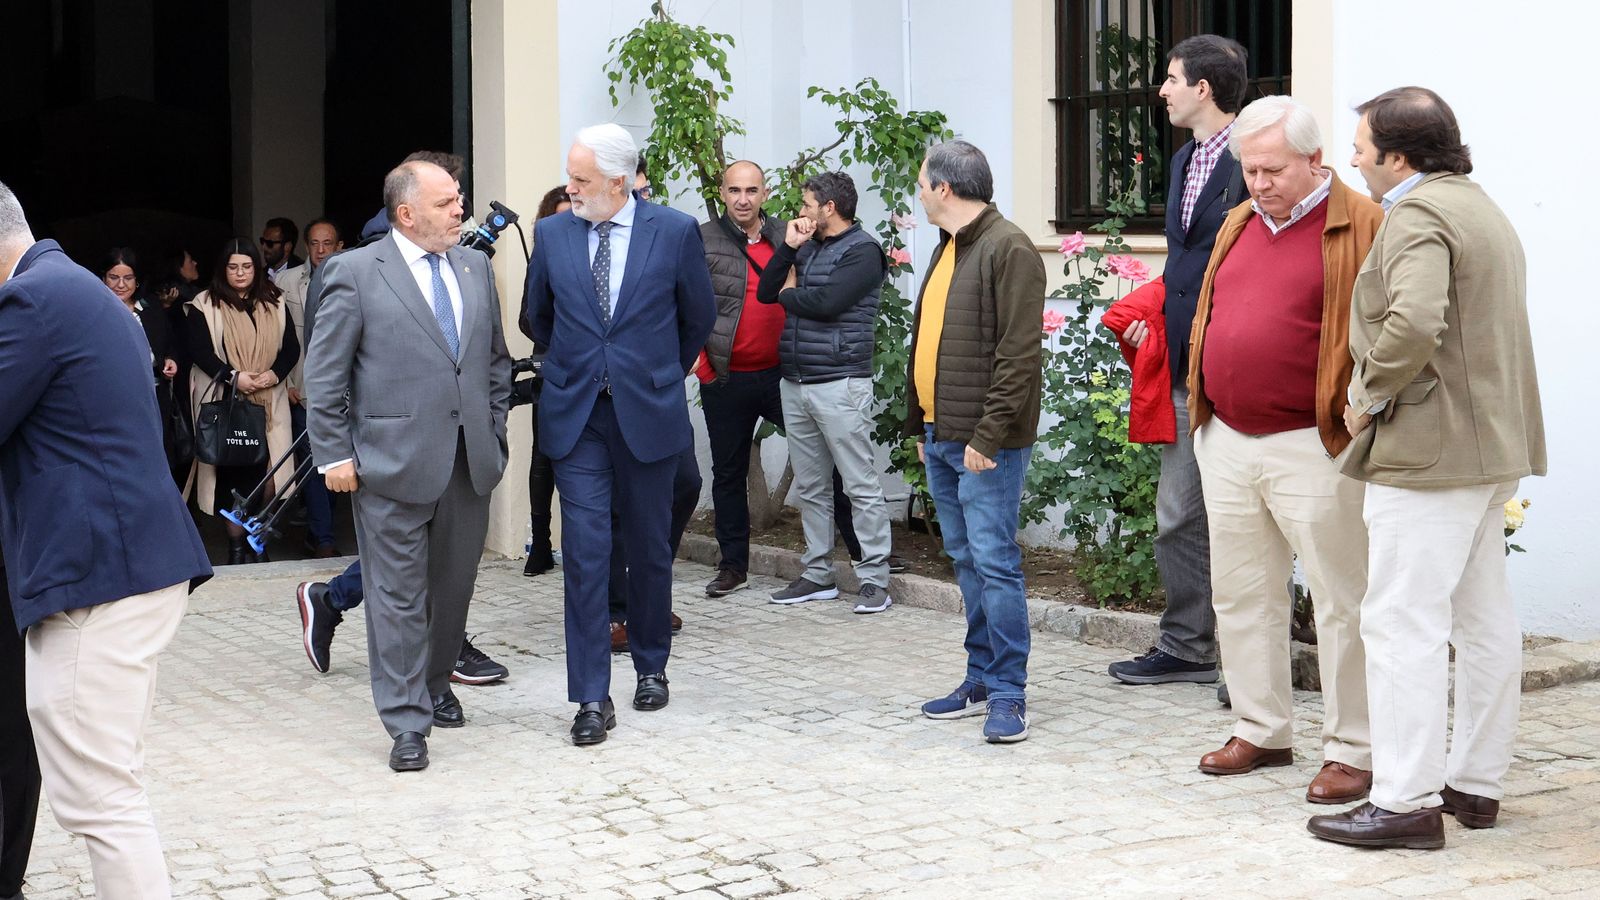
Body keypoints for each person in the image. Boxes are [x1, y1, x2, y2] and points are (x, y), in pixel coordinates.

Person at [1308, 87, 1546, 850]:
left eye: (1362, 146)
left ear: (1399, 156)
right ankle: (1474, 787)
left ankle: (1406, 799)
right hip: (1485, 449)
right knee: (1481, 621)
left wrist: (1366, 396)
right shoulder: (1479, 206)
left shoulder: (1418, 214)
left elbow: (1414, 321)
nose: (1353, 157)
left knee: (1400, 622)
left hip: (1430, 451)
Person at [1, 178, 213, 899]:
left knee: (101, 802)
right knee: (107, 790)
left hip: (98, 579)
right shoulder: (76, 291)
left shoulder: (35, 299)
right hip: (119, 571)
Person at [1185, 96, 1382, 805]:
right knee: (1242, 593)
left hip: (1315, 440)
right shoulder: (1240, 221)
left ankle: (1354, 748)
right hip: (1229, 435)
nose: (1258, 181)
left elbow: (1390, 324)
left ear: (1314, 161)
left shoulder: (1361, 223)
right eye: (1249, 168)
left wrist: (1358, 414)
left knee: (1340, 599)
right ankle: (1262, 728)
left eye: (1271, 169)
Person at [306, 159, 512, 772]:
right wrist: (335, 453)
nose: (461, 211)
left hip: (468, 462)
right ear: (407, 213)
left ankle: (435, 683)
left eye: (460, 200)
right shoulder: (355, 272)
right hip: (387, 465)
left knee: (451, 592)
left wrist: (494, 433)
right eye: (448, 202)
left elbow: (495, 364)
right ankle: (405, 722)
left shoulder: (475, 266)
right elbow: (325, 372)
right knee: (395, 598)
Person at [521, 123, 715, 746]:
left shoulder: (675, 231)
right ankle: (589, 696)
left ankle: (651, 664)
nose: (570, 188)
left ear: (619, 180)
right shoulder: (553, 235)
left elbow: (699, 316)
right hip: (577, 418)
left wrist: (656, 373)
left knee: (650, 545)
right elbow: (536, 316)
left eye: (581, 179)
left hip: (648, 411)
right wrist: (583, 365)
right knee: (582, 553)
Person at [1108, 34, 1248, 686]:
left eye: (1170, 78)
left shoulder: (1256, 161)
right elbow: (1185, 265)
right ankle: (1188, 646)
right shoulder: (1182, 163)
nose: (1161, 90)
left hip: (1244, 372)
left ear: (1204, 88)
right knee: (1177, 515)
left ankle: (1250, 665)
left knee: (1249, 523)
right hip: (1187, 367)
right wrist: (1154, 322)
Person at [906, 141, 1046, 743]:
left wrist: (987, 436)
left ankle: (1011, 694)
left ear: (943, 188)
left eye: (921, 182)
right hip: (943, 436)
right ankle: (980, 677)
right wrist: (920, 424)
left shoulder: (1008, 247)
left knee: (994, 562)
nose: (918, 191)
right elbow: (928, 341)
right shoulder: (949, 248)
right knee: (966, 561)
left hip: (985, 443)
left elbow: (1019, 355)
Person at [694, 160, 870, 600]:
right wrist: (704, 365)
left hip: (783, 374)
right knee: (728, 474)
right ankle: (733, 566)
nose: (742, 199)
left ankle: (863, 552)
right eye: (734, 190)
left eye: (751, 190)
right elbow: (686, 303)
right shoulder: (701, 239)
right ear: (722, 192)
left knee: (825, 466)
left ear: (765, 193)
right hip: (726, 376)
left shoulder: (788, 234)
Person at [755, 172, 894, 614]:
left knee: (859, 483)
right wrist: (790, 248)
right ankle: (818, 574)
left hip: (841, 382)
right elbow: (764, 292)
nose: (801, 210)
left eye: (806, 203)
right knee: (813, 486)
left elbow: (826, 304)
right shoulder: (808, 245)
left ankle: (875, 579)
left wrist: (791, 294)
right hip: (796, 381)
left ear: (829, 207)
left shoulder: (864, 251)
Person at [186, 239, 300, 565]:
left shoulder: (275, 301)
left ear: (256, 268)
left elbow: (291, 348)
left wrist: (272, 375)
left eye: (247, 266)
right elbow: (199, 350)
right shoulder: (205, 303)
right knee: (230, 473)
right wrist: (234, 377)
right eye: (233, 267)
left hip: (269, 399)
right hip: (228, 401)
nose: (240, 273)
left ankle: (255, 536)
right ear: (224, 269)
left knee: (272, 471)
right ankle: (237, 548)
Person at [280, 218, 344, 558]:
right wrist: (287, 382)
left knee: (334, 461)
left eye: (328, 243)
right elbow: (278, 337)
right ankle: (323, 538)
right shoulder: (287, 281)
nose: (321, 250)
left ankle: (322, 531)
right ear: (306, 247)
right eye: (315, 244)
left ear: (339, 245)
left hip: (340, 391)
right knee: (315, 460)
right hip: (302, 387)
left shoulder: (350, 275)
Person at [523, 184, 571, 577]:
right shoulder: (543, 257)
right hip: (552, 363)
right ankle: (540, 542)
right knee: (544, 456)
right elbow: (528, 318)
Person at [259, 216, 302, 282]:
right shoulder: (260, 276)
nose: (263, 248)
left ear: (287, 247)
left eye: (269, 243)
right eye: (262, 241)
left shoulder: (303, 275)